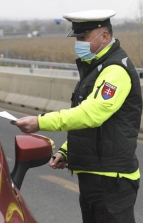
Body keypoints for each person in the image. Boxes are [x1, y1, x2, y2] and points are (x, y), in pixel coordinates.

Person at [11, 10, 141, 223]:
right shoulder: (96, 68)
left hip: (111, 181)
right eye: (77, 38)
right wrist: (67, 151)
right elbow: (91, 124)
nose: (78, 43)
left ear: (105, 37)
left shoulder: (115, 70)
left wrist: (40, 122)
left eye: (83, 37)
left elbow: (93, 114)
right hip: (95, 176)